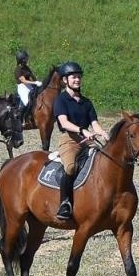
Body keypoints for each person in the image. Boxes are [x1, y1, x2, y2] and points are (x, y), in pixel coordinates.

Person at [52, 61, 105, 222]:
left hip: (87, 140)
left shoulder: (86, 102)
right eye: (73, 77)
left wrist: (104, 133)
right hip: (70, 140)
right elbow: (64, 123)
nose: (77, 79)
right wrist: (82, 130)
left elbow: (94, 124)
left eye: (79, 77)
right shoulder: (61, 100)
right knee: (70, 167)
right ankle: (65, 203)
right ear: (65, 80)